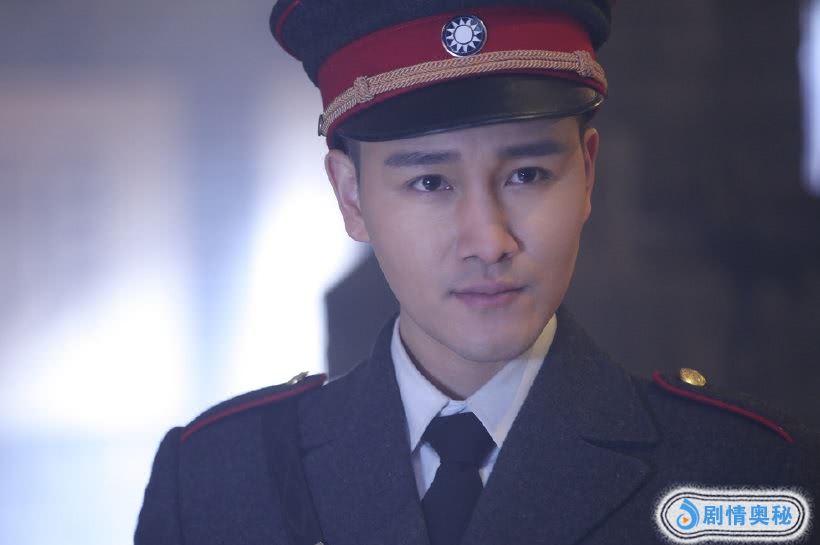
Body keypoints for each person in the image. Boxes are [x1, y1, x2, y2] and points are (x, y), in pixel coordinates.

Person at [135, 1, 820, 544]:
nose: (489, 241)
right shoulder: (216, 481)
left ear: (586, 174)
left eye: (528, 174)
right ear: (351, 198)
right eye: (430, 182)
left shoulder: (743, 473)